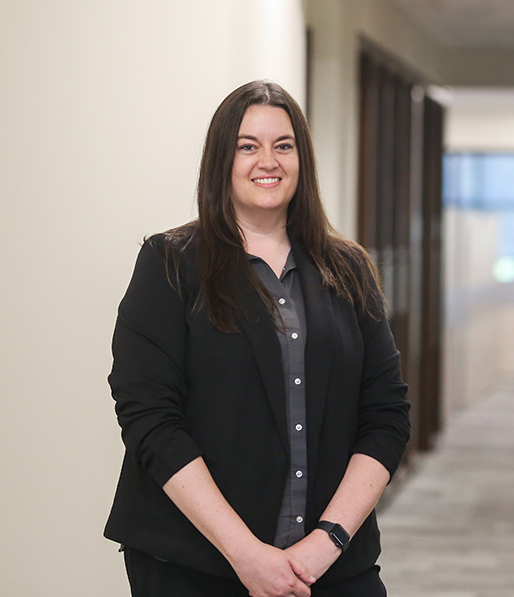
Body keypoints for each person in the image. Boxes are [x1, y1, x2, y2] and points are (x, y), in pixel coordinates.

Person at [104, 80, 411, 597]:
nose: (267, 161)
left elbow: (386, 415)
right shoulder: (170, 264)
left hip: (331, 570)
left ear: (301, 160)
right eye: (248, 146)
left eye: (283, 145)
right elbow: (150, 418)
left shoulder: (349, 270)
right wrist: (245, 553)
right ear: (222, 159)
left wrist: (325, 543)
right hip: (196, 568)